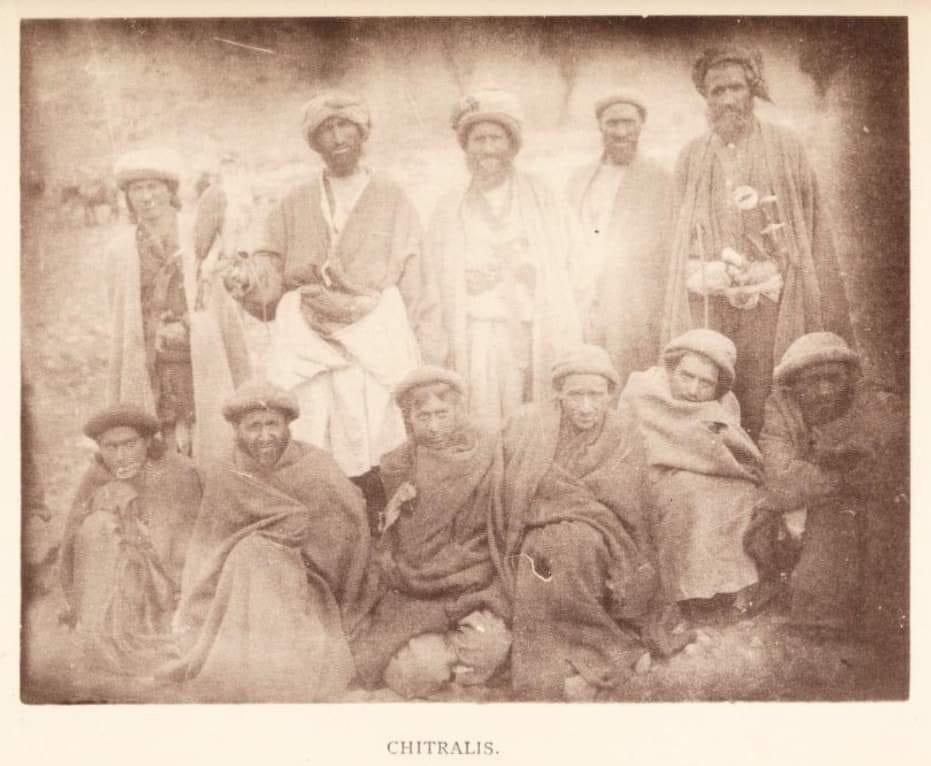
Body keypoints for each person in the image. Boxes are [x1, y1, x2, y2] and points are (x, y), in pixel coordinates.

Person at [222, 91, 445, 513]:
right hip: (308, 339)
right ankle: (324, 516)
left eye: (346, 127)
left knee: (378, 430)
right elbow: (269, 264)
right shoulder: (294, 201)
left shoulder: (392, 197)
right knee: (315, 429)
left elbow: (418, 277)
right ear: (315, 141)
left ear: (362, 134)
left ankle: (380, 518)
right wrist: (247, 279)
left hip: (374, 333)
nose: (338, 137)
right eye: (327, 130)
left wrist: (431, 349)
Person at [662, 46, 852, 438]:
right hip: (711, 300)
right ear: (706, 98)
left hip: (772, 302)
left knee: (766, 391)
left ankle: (772, 460)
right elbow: (677, 237)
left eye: (735, 88)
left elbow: (810, 223)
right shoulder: (692, 156)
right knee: (710, 387)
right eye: (717, 91)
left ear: (753, 90)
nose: (727, 99)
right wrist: (705, 271)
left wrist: (775, 269)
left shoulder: (785, 146)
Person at [490, 345, 687, 700]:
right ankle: (596, 652)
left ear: (610, 395)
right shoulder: (530, 426)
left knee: (571, 546)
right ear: (559, 394)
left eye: (595, 395)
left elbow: (628, 501)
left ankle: (587, 652)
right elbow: (515, 488)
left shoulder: (622, 431)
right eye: (575, 395)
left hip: (605, 534)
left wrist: (577, 512)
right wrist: (559, 508)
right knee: (546, 551)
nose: (585, 406)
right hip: (538, 528)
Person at [158, 380, 376, 702]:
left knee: (257, 555)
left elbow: (349, 542)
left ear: (287, 426)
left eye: (272, 425)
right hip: (237, 594)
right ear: (237, 431)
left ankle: (279, 679)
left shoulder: (316, 466)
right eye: (253, 427)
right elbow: (210, 550)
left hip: (311, 588)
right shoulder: (226, 472)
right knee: (251, 554)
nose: (264, 436)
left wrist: (288, 555)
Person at [426, 86, 582, 428]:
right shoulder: (449, 205)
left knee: (534, 420)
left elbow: (574, 260)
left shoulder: (543, 195)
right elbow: (435, 277)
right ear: (466, 147)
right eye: (478, 140)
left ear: (512, 144)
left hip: (534, 327)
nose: (487, 149)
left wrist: (533, 273)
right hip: (478, 334)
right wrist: (467, 278)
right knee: (483, 421)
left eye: (496, 138)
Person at [351, 366, 510, 699]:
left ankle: (449, 658)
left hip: (475, 584)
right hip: (416, 590)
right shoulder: (397, 464)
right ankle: (443, 662)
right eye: (423, 417)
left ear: (458, 410)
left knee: (489, 647)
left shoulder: (486, 450)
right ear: (408, 419)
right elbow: (392, 544)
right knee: (417, 672)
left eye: (442, 414)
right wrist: (393, 514)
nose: (434, 426)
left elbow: (500, 522)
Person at [758, 333, 907, 640]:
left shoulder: (867, 401)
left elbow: (884, 465)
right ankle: (822, 617)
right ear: (794, 384)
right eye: (813, 381)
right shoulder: (780, 408)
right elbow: (781, 478)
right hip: (804, 507)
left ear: (848, 378)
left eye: (833, 379)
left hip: (865, 503)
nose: (825, 390)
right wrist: (842, 476)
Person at [107, 147, 250, 463]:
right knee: (160, 444)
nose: (146, 197)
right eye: (137, 189)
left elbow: (223, 303)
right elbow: (121, 322)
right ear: (127, 196)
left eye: (153, 187)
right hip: (151, 362)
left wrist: (190, 324)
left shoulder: (198, 233)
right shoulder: (120, 251)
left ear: (170, 191)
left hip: (199, 356)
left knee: (210, 438)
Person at [619, 329, 769, 616]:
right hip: (651, 475)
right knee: (688, 493)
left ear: (718, 387)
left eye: (705, 383)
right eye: (686, 376)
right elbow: (628, 448)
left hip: (707, 473)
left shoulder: (724, 404)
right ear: (671, 369)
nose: (692, 390)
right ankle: (684, 594)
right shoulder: (643, 392)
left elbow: (732, 453)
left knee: (741, 492)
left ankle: (727, 587)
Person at [58, 404, 202, 675]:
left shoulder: (179, 472)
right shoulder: (97, 476)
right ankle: (107, 635)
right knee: (97, 527)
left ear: (147, 441)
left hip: (172, 582)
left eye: (129, 445)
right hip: (119, 582)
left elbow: (194, 538)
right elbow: (73, 542)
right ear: (100, 448)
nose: (121, 456)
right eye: (110, 447)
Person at [566, 90, 672, 385]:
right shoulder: (580, 179)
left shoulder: (660, 179)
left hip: (636, 301)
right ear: (600, 127)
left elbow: (666, 250)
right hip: (586, 294)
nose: (621, 132)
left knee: (630, 374)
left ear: (641, 127)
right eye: (613, 123)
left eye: (629, 123)